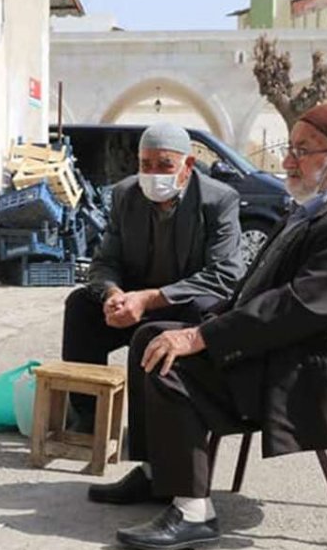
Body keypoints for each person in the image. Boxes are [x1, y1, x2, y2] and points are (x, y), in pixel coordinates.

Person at [90, 104, 327, 550]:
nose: (289, 161)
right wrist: (206, 323)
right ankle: (161, 471)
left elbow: (293, 309)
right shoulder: (322, 206)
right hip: (284, 345)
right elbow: (262, 290)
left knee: (171, 365)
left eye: (303, 151)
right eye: (290, 148)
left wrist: (201, 335)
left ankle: (194, 512)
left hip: (303, 371)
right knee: (149, 336)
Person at [61, 122, 244, 433]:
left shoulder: (218, 200)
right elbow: (105, 260)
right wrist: (113, 294)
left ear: (187, 165)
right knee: (81, 305)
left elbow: (225, 273)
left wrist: (149, 299)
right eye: (146, 164)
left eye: (164, 165)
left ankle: (151, 434)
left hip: (183, 304)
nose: (154, 173)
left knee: (203, 307)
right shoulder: (125, 194)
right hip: (133, 301)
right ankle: (87, 416)